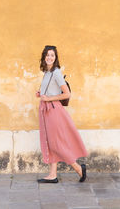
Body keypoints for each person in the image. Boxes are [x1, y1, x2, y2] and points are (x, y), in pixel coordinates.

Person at [36, 45, 88, 183]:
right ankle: (53, 175)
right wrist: (41, 94)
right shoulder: (47, 72)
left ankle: (78, 169)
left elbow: (67, 93)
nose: (49, 57)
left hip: (53, 111)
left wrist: (48, 98)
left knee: (57, 144)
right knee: (51, 143)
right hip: (46, 111)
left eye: (52, 55)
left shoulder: (57, 72)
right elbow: (50, 90)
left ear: (55, 57)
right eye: (47, 55)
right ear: (44, 57)